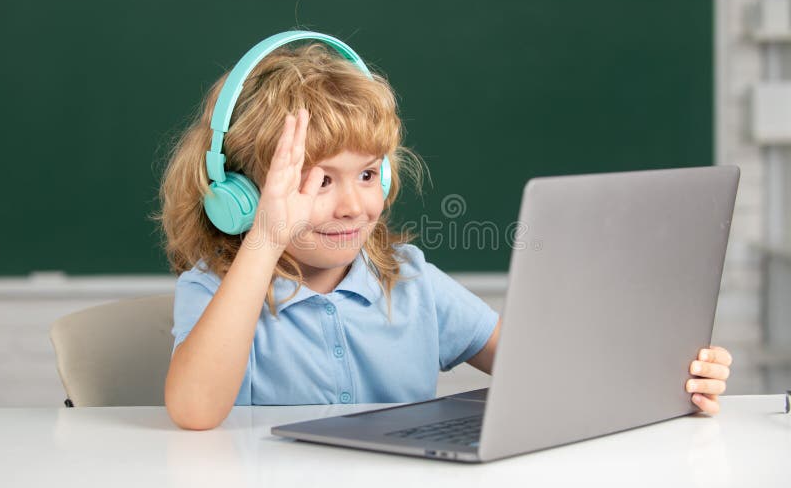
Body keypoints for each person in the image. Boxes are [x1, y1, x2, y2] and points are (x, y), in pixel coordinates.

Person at [155, 36, 731, 431]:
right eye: (319, 181)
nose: (354, 204)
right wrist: (267, 238)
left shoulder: (411, 283)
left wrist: (673, 381)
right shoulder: (218, 291)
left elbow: (550, 370)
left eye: (365, 174)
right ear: (244, 196)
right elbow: (196, 411)